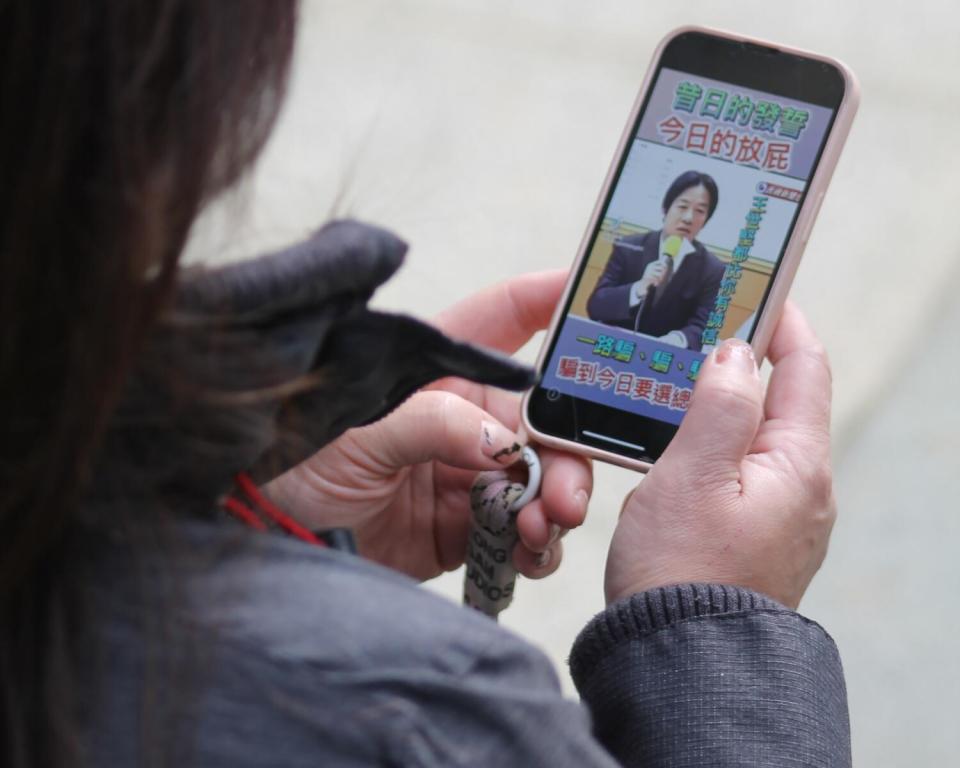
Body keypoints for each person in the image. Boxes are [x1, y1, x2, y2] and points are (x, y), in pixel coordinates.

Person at [0, 4, 849, 768]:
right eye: (685, 204)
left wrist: (273, 532)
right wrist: (720, 631)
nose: (692, 217)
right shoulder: (428, 712)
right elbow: (603, 305)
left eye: (706, 210)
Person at [587, 170, 725, 350]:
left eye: (700, 211)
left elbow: (703, 327)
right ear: (666, 208)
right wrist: (638, 288)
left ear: (706, 219)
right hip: (611, 349)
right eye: (683, 206)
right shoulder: (629, 247)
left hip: (664, 362)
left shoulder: (712, 269)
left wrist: (678, 340)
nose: (688, 218)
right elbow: (596, 305)